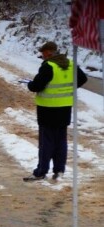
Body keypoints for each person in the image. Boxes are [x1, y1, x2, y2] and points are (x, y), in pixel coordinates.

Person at [23, 41, 87, 182]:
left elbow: (36, 86)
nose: (42, 55)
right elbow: (83, 78)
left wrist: (29, 84)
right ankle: (59, 171)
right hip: (64, 109)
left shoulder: (48, 66)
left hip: (48, 110)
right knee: (61, 141)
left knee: (46, 142)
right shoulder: (70, 64)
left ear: (48, 52)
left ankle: (41, 172)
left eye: (43, 52)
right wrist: (68, 89)